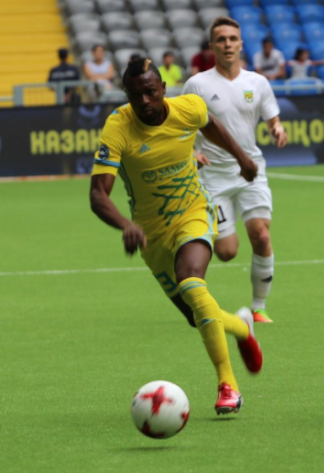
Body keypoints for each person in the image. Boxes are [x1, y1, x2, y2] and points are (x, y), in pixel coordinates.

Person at [89, 56, 264, 414]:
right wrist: (126, 225)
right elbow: (97, 194)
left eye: (151, 92)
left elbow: (209, 123)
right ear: (126, 95)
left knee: (190, 281)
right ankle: (241, 326)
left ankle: (227, 386)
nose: (145, 102)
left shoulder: (188, 107)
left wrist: (243, 158)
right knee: (194, 315)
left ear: (164, 88)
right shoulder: (118, 127)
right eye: (136, 95)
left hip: (194, 213)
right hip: (150, 236)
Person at [184, 17, 289, 324]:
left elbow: (273, 120)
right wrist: (191, 152)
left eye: (233, 39)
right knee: (227, 251)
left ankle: (258, 307)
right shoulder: (197, 85)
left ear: (241, 44)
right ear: (212, 46)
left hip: (251, 170)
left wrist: (277, 130)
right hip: (214, 177)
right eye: (221, 40)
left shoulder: (257, 83)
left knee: (261, 234)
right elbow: (178, 126)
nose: (227, 44)